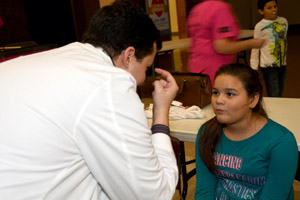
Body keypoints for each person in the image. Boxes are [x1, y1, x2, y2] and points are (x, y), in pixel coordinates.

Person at [0, 1, 179, 199]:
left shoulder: (39, 61)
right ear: (129, 56)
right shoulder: (109, 83)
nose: (144, 78)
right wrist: (161, 112)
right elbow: (153, 194)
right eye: (146, 67)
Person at [195, 63, 298, 199]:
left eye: (230, 94)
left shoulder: (281, 142)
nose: (219, 100)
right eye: (216, 93)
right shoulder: (207, 132)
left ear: (253, 99)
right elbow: (204, 190)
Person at [187, 0, 265, 85]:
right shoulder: (219, 8)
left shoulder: (195, 10)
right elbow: (221, 47)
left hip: (195, 72)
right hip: (214, 73)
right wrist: (252, 43)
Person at [250, 0, 288, 97]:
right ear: (261, 11)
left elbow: (284, 40)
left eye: (275, 6)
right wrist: (253, 68)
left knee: (280, 90)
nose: (273, 9)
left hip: (282, 64)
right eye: (269, 8)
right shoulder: (259, 26)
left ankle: (279, 108)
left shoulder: (283, 21)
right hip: (268, 66)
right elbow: (255, 48)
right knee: (274, 94)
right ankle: (276, 110)